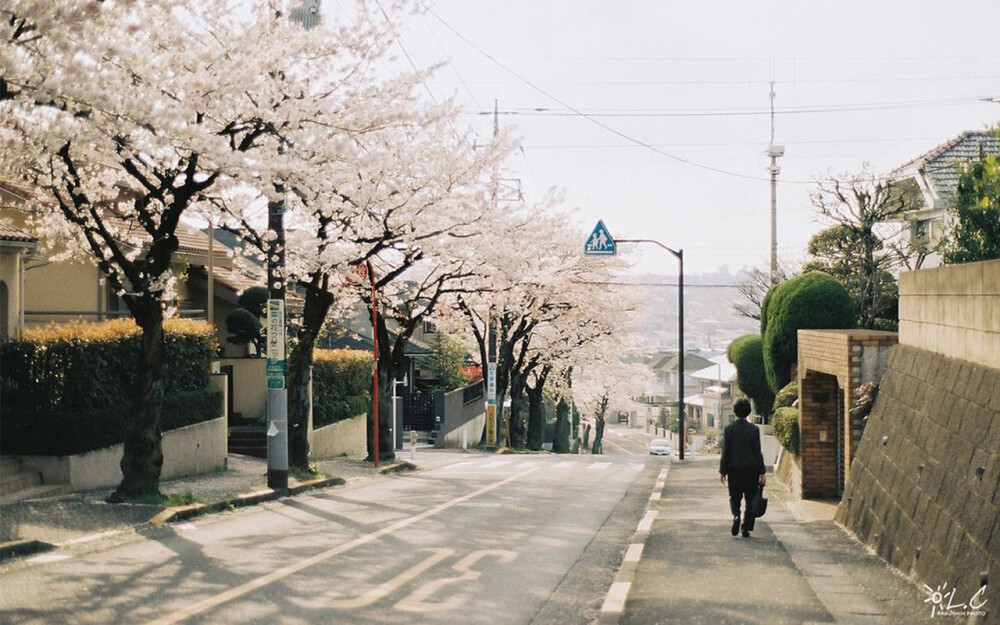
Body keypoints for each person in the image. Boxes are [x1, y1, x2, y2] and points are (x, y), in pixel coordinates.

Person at [719, 398, 766, 538]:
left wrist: (723, 471)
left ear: (735, 411)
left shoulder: (729, 429)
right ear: (748, 412)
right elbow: (758, 452)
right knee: (751, 499)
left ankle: (736, 516)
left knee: (734, 496)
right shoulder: (754, 430)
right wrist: (762, 472)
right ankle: (746, 528)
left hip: (734, 470)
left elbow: (725, 451)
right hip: (751, 470)